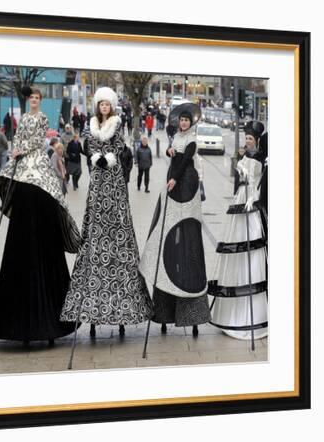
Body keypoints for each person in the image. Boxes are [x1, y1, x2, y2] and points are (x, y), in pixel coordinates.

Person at [0, 87, 81, 346]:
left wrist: (20, 151)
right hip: (21, 165)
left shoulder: (42, 119)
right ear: (28, 101)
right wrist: (16, 151)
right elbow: (18, 138)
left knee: (43, 190)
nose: (35, 101)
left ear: (40, 101)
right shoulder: (22, 118)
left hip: (35, 165)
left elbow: (38, 141)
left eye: (38, 98)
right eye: (32, 98)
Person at [60, 87, 153, 338]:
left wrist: (108, 157)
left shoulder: (116, 124)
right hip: (97, 178)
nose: (104, 108)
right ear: (97, 106)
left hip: (112, 176)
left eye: (107, 104)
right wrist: (93, 156)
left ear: (111, 106)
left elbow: (120, 144)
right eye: (100, 104)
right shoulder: (91, 125)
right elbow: (87, 144)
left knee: (116, 211)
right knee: (95, 210)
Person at [140, 103, 210, 338]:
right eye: (181, 120)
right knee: (166, 232)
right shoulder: (176, 138)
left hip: (184, 185)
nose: (183, 123)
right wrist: (171, 153)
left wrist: (174, 179)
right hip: (172, 184)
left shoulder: (191, 140)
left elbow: (184, 161)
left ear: (191, 124)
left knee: (185, 237)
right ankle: (164, 307)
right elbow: (175, 158)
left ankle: (189, 310)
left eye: (187, 121)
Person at [208, 121, 268, 341]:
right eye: (247, 138)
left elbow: (259, 181)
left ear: (257, 140)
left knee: (252, 246)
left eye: (251, 139)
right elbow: (239, 180)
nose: (247, 141)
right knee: (237, 244)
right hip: (241, 199)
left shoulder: (261, 158)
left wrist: (254, 198)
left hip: (251, 202)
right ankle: (233, 312)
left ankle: (254, 312)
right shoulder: (244, 155)